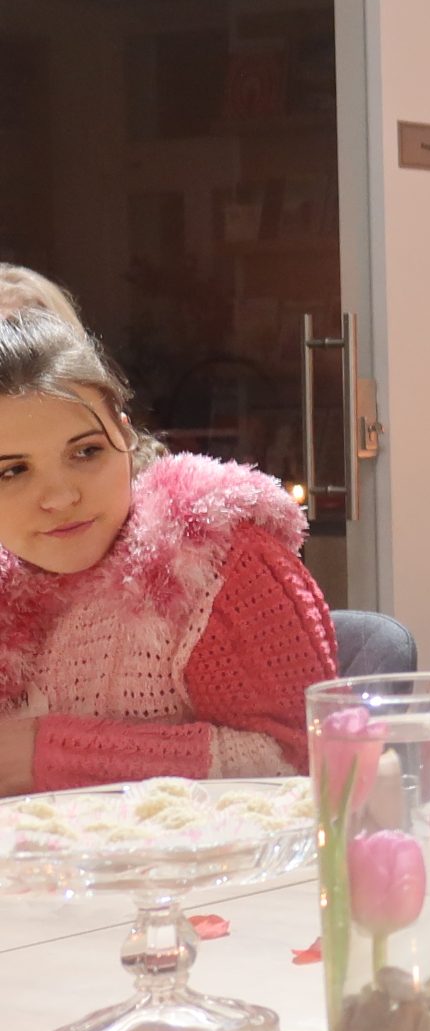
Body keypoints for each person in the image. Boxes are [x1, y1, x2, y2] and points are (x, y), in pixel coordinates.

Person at [0, 309, 335, 792]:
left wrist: (46, 755)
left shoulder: (214, 562)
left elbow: (308, 758)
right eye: (13, 471)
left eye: (86, 451)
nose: (61, 497)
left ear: (124, 434)